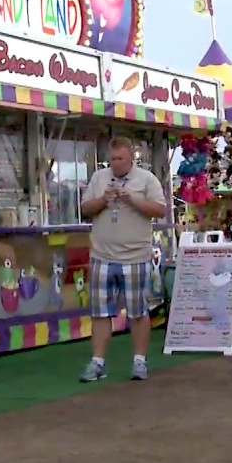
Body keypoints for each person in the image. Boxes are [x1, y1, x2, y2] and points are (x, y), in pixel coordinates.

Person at [78, 136, 168, 383]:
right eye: (112, 159)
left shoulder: (147, 179)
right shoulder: (99, 178)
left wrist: (132, 199)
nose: (115, 163)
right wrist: (102, 200)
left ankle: (139, 361)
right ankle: (98, 362)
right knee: (100, 313)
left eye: (120, 159)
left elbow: (160, 210)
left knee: (138, 311)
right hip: (101, 255)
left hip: (135, 256)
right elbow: (85, 208)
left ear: (131, 157)